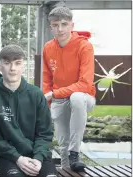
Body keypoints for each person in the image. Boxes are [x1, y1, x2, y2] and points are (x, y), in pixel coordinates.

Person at [42, 6, 96, 172]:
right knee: (63, 145)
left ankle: (75, 151)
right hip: (59, 100)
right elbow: (46, 79)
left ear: (72, 25)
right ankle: (68, 165)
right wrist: (48, 99)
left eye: (64, 24)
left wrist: (55, 93)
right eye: (56, 25)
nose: (60, 29)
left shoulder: (84, 47)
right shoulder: (48, 48)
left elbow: (85, 84)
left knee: (77, 97)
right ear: (51, 27)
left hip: (84, 98)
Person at [0, 44, 57, 177]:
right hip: (9, 157)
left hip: (39, 155)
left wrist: (38, 159)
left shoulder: (36, 94)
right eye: (7, 63)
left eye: (17, 63)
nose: (12, 68)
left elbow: (45, 133)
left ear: (23, 66)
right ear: (0, 67)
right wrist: (18, 158)